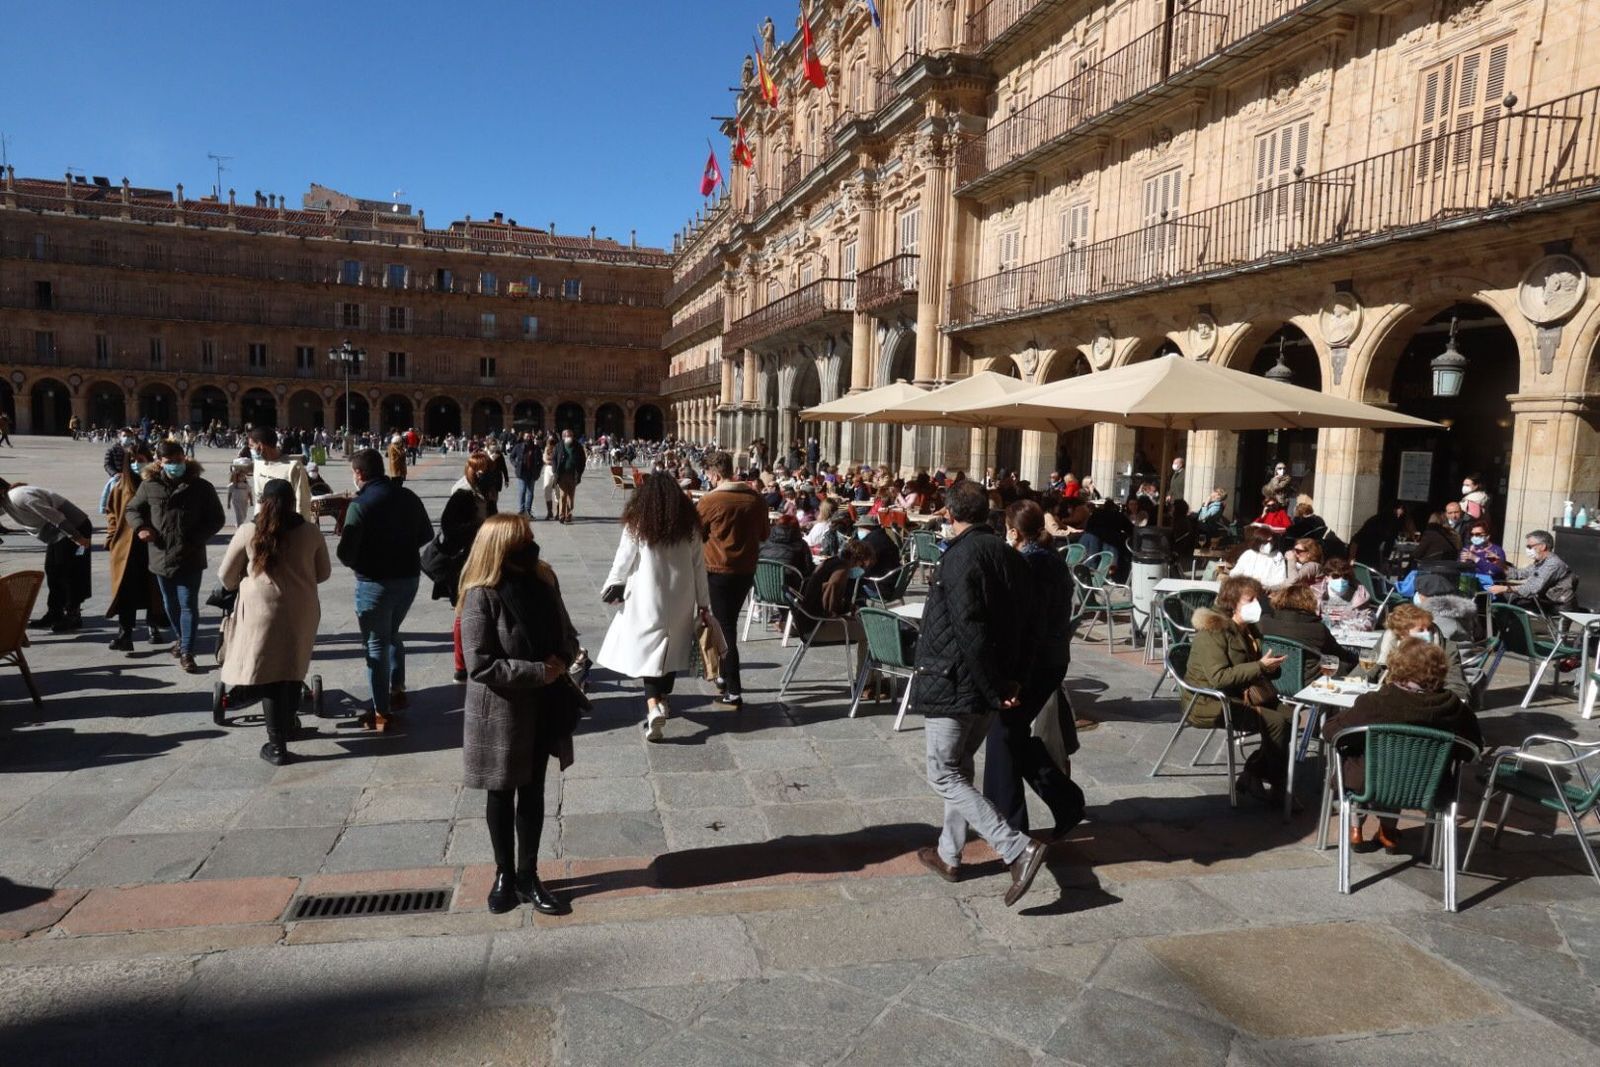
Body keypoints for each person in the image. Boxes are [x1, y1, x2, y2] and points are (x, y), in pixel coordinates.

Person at [911, 479, 1051, 907]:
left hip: (955, 681)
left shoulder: (958, 559)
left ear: (950, 516)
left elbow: (969, 630)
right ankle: (949, 854)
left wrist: (995, 684)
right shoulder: (1011, 556)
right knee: (960, 770)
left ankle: (1015, 847)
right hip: (989, 684)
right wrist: (1012, 681)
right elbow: (1032, 626)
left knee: (944, 774)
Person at [459, 514, 580, 916]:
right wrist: (537, 671)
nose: (532, 544)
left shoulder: (545, 580)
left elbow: (568, 632)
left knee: (534, 790)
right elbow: (479, 663)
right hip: (503, 709)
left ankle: (529, 874)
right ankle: (503, 874)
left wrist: (563, 657)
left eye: (531, 537)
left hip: (544, 705)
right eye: (524, 539)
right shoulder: (481, 594)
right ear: (502, 547)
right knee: (501, 790)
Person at [982, 500, 1085, 838]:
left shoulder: (1029, 563)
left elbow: (1028, 623)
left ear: (1012, 531)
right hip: (1050, 660)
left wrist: (1013, 673)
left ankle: (1011, 828)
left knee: (1003, 734)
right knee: (1010, 735)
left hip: (1036, 663)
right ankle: (1064, 799)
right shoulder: (1050, 559)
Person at [1321, 638, 1481, 852]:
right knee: (1402, 764)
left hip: (1370, 782)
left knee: (1362, 757)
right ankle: (1388, 831)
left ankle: (1356, 828)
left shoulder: (1378, 702)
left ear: (1396, 667)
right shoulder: (1454, 708)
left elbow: (1332, 732)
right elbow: (1473, 749)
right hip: (1430, 788)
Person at [218, 479, 332, 765]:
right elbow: (323, 573)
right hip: (301, 610)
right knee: (292, 669)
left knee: (269, 674)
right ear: (293, 502)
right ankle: (290, 724)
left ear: (261, 501)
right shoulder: (310, 531)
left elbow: (226, 576)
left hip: (260, 612)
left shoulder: (248, 531)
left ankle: (276, 745)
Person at [596, 473, 711, 742]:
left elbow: (622, 560)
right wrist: (704, 603)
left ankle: (653, 707)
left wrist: (613, 583)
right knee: (672, 648)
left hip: (647, 597)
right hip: (681, 597)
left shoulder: (639, 523)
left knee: (649, 651)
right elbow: (699, 568)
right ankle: (663, 698)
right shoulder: (689, 526)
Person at [336, 448, 435, 730]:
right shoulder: (408, 496)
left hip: (374, 583)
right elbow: (427, 534)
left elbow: (345, 554)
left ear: (359, 474)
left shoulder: (360, 505)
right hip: (409, 579)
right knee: (391, 634)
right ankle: (397, 689)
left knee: (375, 643)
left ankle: (381, 710)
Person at [1185, 576, 1291, 807]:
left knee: (1289, 717)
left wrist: (1269, 666)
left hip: (1242, 693)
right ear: (1232, 602)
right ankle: (1279, 787)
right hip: (1209, 701)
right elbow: (1218, 678)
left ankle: (1255, 772)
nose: (1257, 603)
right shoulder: (1212, 631)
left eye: (1258, 598)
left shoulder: (1248, 628)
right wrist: (1260, 666)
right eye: (1250, 599)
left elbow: (1252, 667)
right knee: (1276, 722)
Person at [127, 443, 226, 671]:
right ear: (160, 462)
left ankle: (187, 652)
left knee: (188, 604)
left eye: (178, 460)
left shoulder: (201, 487)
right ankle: (182, 639)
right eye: (169, 462)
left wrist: (194, 539)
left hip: (189, 555)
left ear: (185, 459)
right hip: (159, 555)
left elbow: (216, 519)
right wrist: (141, 527)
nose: (175, 465)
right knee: (169, 604)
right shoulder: (149, 485)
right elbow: (132, 509)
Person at [696, 450, 770, 708]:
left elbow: (694, 533)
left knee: (725, 628)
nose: (707, 478)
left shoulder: (710, 501)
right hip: (747, 570)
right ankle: (723, 677)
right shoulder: (756, 499)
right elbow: (764, 534)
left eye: (707, 474)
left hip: (718, 570)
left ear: (715, 474)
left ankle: (734, 690)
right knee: (725, 623)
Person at [436, 453, 504, 682]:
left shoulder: (487, 493)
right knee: (463, 611)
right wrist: (477, 528)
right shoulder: (462, 494)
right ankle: (460, 665)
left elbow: (492, 519)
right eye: (484, 471)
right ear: (475, 471)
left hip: (487, 558)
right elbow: (448, 527)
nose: (489, 475)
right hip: (464, 562)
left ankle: (483, 657)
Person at [0, 476, 94, 632]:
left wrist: (77, 537)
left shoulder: (19, 495)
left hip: (73, 527)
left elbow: (55, 516)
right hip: (55, 533)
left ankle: (73, 615)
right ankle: (55, 612)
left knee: (70, 572)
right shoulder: (5, 500)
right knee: (53, 571)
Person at [104, 443, 167, 651]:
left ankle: (153, 627)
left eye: (141, 459)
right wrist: (111, 537)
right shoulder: (121, 486)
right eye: (133, 460)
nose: (137, 464)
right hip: (126, 546)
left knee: (153, 588)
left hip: (152, 543)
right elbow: (111, 513)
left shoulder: (158, 483)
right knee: (127, 590)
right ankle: (125, 633)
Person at [1371, 603, 1471, 704]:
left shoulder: (1446, 647)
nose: (1427, 633)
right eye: (1421, 630)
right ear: (1403, 634)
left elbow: (1456, 683)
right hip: (1388, 700)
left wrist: (1449, 702)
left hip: (1430, 703)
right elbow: (1363, 672)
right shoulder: (1387, 644)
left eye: (1429, 629)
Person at [1259, 581, 1355, 686]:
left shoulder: (1265, 622)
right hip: (1308, 682)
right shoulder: (1317, 629)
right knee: (1347, 663)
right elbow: (1339, 655)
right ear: (1309, 603)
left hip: (1273, 681)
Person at [1489, 529, 1576, 611]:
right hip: (1543, 602)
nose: (1527, 549)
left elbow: (1533, 588)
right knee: (1502, 601)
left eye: (1529, 546)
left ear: (1542, 546)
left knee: (1505, 604)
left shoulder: (1553, 564)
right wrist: (1500, 564)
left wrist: (1505, 588)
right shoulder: (1540, 562)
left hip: (1558, 606)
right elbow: (1520, 574)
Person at [248, 428, 314, 523]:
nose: (251, 450)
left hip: (287, 526)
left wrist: (302, 528)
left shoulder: (293, 467)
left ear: (261, 446)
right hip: (263, 524)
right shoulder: (258, 464)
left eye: (252, 446)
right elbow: (259, 499)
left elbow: (303, 501)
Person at [1318, 557, 1374, 630]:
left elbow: (1368, 620)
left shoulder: (1359, 596)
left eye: (1345, 577)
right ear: (1326, 578)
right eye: (1335, 576)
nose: (1341, 580)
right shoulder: (1317, 594)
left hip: (1349, 635)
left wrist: (1344, 625)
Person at [552, 429, 586, 523]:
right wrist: (555, 471)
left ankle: (569, 513)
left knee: (570, 497)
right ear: (563, 437)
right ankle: (562, 515)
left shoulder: (578, 446)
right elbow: (554, 459)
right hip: (562, 474)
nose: (569, 437)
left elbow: (583, 459)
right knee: (562, 496)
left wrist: (580, 471)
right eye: (567, 435)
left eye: (570, 435)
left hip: (573, 475)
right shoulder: (558, 446)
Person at [513, 431, 544, 518]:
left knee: (530, 492)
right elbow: (512, 456)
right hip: (522, 473)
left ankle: (528, 510)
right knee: (522, 491)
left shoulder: (536, 448)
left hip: (532, 473)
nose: (528, 438)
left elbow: (541, 461)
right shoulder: (518, 446)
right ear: (523, 437)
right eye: (527, 437)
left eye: (530, 437)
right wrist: (516, 464)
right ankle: (522, 510)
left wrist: (538, 471)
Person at [227, 460, 253, 526]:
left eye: (243, 476)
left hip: (244, 501)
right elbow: (229, 493)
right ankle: (239, 525)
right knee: (239, 514)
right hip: (236, 501)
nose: (242, 477)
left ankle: (240, 523)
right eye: (240, 476)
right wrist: (228, 503)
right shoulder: (233, 485)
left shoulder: (246, 485)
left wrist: (251, 501)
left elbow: (249, 493)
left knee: (244, 514)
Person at [540, 435, 559, 520]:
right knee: (547, 488)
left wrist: (550, 460)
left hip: (557, 470)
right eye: (549, 439)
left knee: (557, 490)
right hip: (548, 469)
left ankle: (558, 512)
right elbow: (545, 459)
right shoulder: (546, 448)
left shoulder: (558, 448)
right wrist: (551, 460)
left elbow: (558, 459)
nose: (551, 441)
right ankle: (549, 511)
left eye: (552, 439)